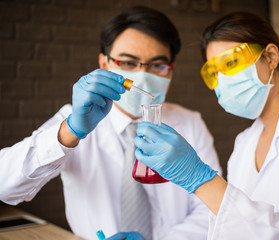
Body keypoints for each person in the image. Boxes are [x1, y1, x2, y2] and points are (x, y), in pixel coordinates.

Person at [0, 6, 222, 240]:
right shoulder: (73, 119)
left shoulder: (190, 123)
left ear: (171, 71)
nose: (143, 75)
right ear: (105, 64)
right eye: (128, 62)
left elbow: (209, 210)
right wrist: (70, 130)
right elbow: (5, 186)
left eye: (157, 65)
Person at [134, 11, 279, 239]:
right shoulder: (244, 143)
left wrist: (199, 179)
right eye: (214, 72)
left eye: (231, 62)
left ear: (271, 56)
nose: (222, 80)